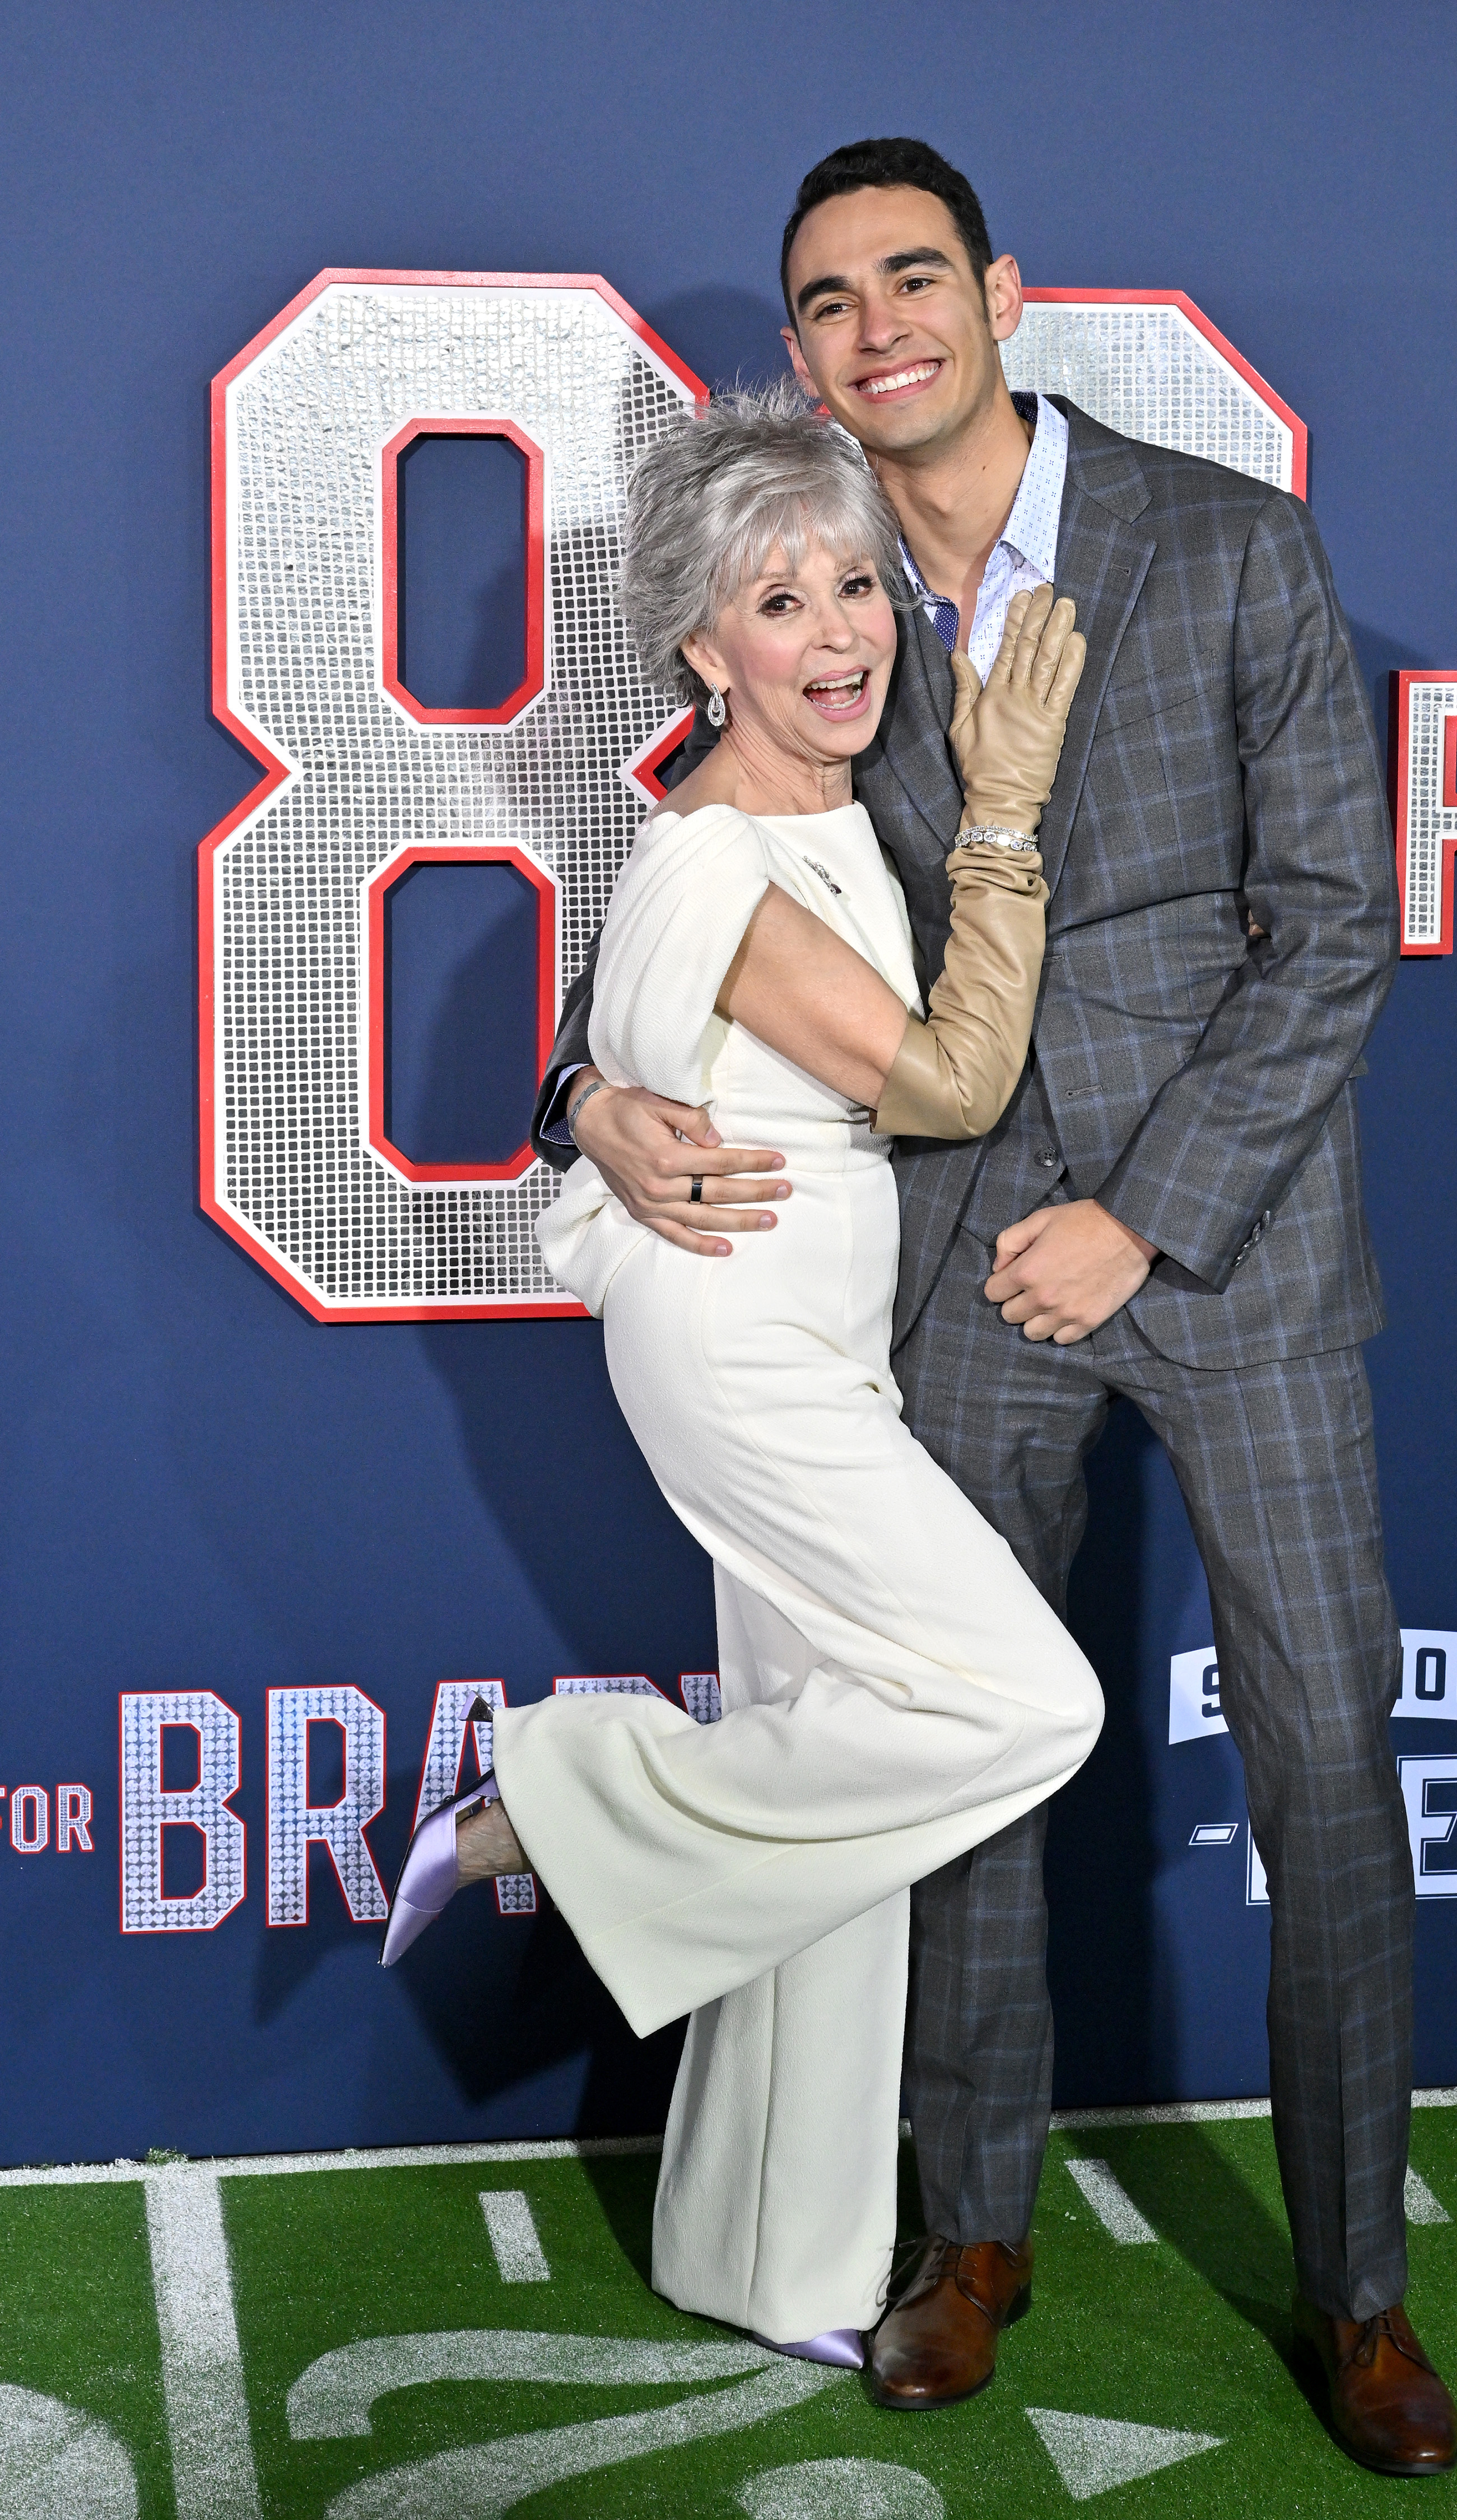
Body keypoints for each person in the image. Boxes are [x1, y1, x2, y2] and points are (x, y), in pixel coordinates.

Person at [538, 139, 1457, 2474]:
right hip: (946, 1274)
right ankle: (969, 2239)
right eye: (830, 301)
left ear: (1005, 297)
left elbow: (1332, 929)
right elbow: (684, 890)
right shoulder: (820, 595)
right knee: (963, 1766)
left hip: (1222, 1259)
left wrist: (1144, 1218)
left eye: (915, 280)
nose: (880, 330)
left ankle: (1358, 2292)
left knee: (1333, 1779)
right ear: (804, 350)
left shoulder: (1230, 544)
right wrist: (581, 1094)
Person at [383, 381, 1102, 2371]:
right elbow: (950, 1079)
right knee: (1030, 1700)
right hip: (739, 1345)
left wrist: (580, 1091)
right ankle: (555, 1798)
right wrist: (1018, 804)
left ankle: (764, 2262)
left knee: (836, 1819)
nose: (842, 629)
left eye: (857, 583)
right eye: (780, 603)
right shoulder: (725, 857)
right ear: (704, 648)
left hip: (809, 1336)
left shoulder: (814, 810)